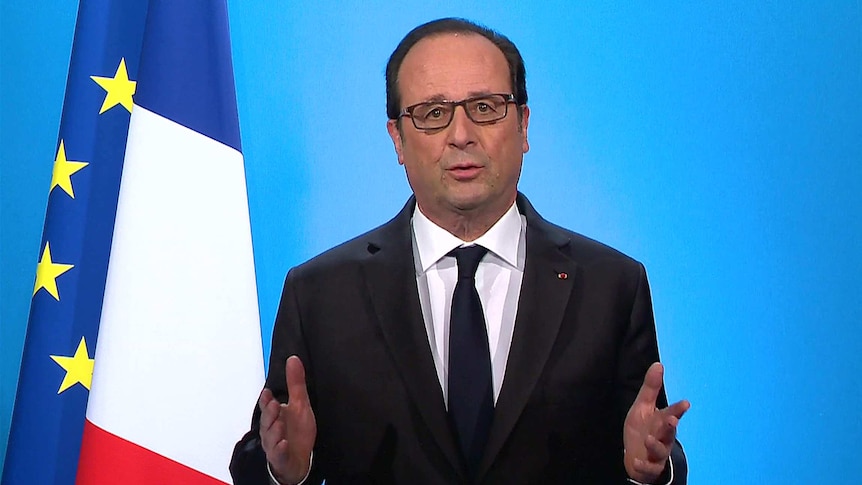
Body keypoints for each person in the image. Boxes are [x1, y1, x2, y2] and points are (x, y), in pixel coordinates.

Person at [230, 17, 689, 485]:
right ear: (398, 140)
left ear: (524, 125)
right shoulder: (321, 293)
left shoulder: (611, 285)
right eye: (433, 113)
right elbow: (258, 457)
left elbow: (652, 444)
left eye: (485, 107)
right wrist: (284, 471)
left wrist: (648, 471)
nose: (461, 134)